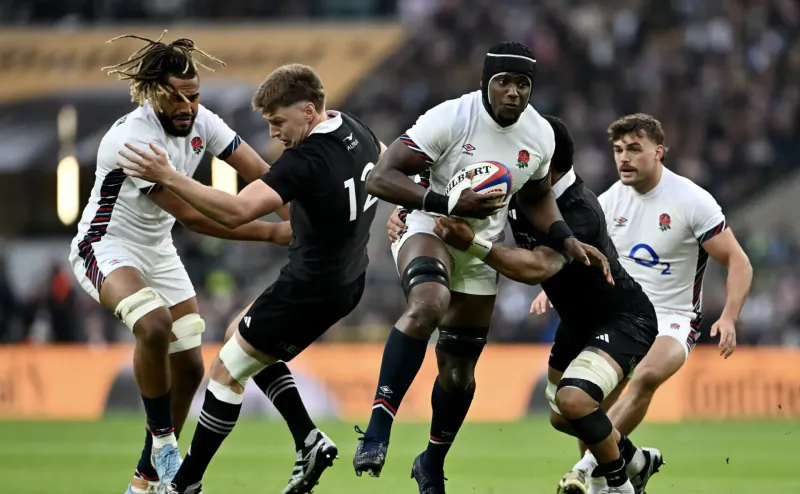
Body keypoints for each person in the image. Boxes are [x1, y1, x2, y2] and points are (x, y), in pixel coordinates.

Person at [353, 41, 608, 493]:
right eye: (504, 82)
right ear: (486, 83)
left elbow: (536, 197)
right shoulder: (450, 118)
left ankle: (431, 460)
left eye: (523, 84)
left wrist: (566, 237)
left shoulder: (539, 135)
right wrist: (444, 201)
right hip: (429, 224)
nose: (513, 92)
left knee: (458, 373)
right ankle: (378, 426)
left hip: (478, 243)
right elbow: (379, 177)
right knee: (429, 302)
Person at [118, 63, 383, 494]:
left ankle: (185, 483)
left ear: (310, 111)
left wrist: (169, 176)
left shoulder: (304, 161)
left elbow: (237, 210)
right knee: (239, 333)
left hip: (308, 287)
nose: (275, 133)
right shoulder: (356, 129)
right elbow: (386, 161)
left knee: (226, 370)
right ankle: (307, 439)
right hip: (350, 279)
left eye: (279, 122)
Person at [67, 32, 291, 494]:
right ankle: (165, 443)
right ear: (153, 94)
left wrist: (297, 211)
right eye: (177, 98)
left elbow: (263, 175)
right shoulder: (134, 141)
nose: (188, 107)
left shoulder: (203, 121)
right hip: (106, 243)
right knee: (152, 325)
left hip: (157, 248)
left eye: (194, 96)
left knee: (190, 364)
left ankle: (144, 482)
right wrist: (274, 231)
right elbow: (194, 217)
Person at [433, 115, 663, 494]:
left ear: (546, 160)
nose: (516, 158)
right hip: (576, 322)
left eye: (524, 151)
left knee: (575, 400)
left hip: (623, 318)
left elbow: (536, 267)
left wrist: (471, 243)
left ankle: (620, 487)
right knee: (561, 416)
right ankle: (637, 461)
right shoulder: (523, 192)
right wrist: (406, 214)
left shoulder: (578, 210)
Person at [530, 113, 752, 491]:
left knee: (646, 376)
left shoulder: (692, 201)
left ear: (659, 152)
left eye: (634, 149)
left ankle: (585, 470)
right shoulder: (608, 200)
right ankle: (634, 461)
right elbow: (580, 253)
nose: (624, 158)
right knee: (583, 410)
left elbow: (738, 261)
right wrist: (547, 288)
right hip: (618, 315)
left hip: (673, 318)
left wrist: (730, 316)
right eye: (618, 150)